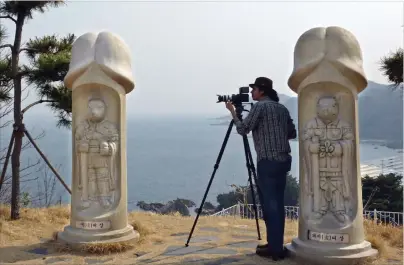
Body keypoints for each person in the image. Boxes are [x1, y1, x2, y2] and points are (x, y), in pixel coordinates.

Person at [225, 77, 297, 261]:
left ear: (262, 91)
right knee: (277, 204)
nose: (251, 93)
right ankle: (275, 244)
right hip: (283, 161)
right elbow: (292, 133)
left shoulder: (260, 107)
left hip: (267, 161)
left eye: (254, 89)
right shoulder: (282, 108)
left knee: (270, 205)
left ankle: (276, 250)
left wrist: (233, 112)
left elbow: (243, 129)